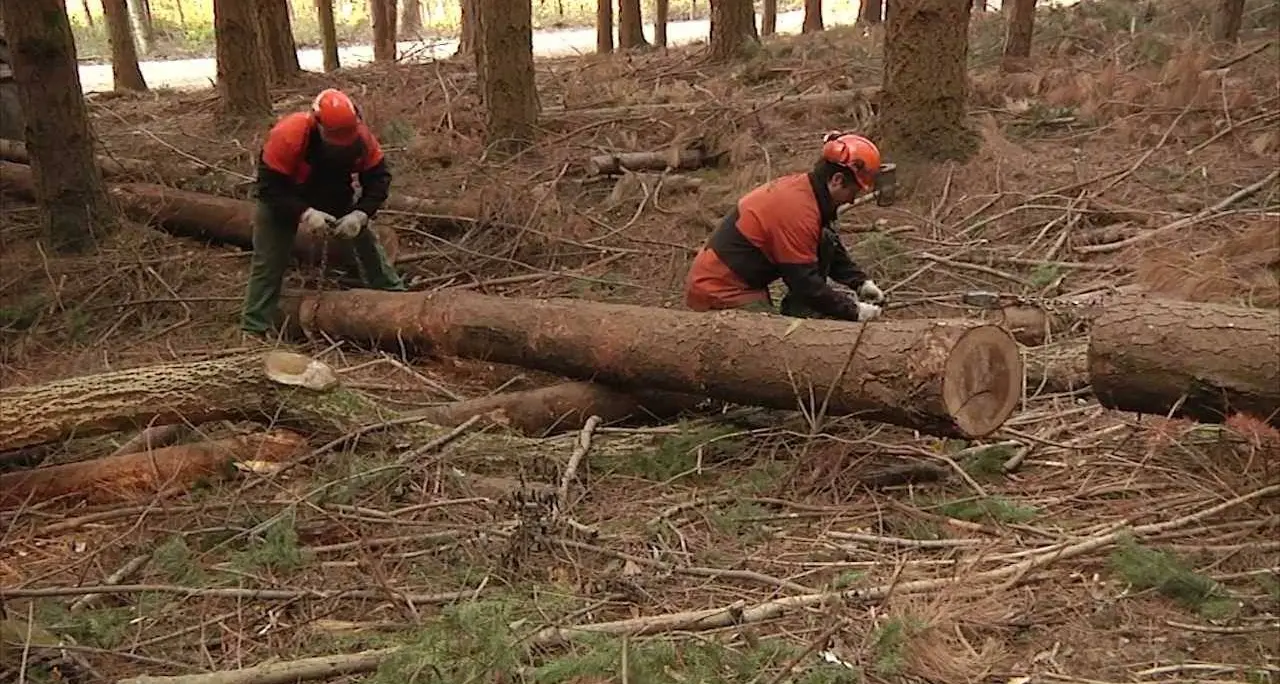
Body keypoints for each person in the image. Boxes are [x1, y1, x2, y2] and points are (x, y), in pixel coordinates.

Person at [240, 88, 406, 339]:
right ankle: (254, 326)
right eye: (334, 136)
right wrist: (304, 213)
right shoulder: (290, 134)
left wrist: (361, 214)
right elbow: (268, 187)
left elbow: (378, 179)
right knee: (269, 259)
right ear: (317, 123)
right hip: (285, 196)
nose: (341, 141)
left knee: (367, 244)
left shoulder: (362, 138)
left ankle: (398, 300)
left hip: (333, 195)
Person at [684, 132, 891, 322]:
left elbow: (825, 245)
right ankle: (799, 325)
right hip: (720, 289)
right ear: (837, 180)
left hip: (746, 283)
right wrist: (854, 311)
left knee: (825, 239)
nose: (853, 200)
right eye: (853, 192)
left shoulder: (808, 192)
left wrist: (860, 282)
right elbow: (805, 284)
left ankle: (801, 317)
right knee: (771, 343)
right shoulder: (798, 211)